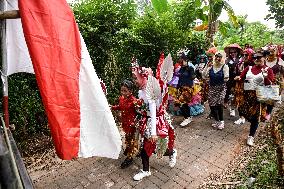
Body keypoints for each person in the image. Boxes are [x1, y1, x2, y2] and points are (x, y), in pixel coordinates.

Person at [131, 54, 177, 181]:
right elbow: (143, 106)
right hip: (148, 120)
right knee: (149, 147)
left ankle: (171, 153)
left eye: (135, 78)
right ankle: (147, 169)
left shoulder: (150, 90)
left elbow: (152, 110)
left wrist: (153, 132)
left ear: (143, 77)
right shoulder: (142, 89)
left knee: (153, 147)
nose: (134, 80)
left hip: (155, 121)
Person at [235, 49, 274, 146]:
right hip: (247, 95)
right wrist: (238, 78)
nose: (257, 59)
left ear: (264, 58)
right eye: (255, 57)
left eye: (259, 57)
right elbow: (242, 77)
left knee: (255, 117)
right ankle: (244, 120)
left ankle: (251, 136)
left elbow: (270, 85)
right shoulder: (248, 68)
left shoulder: (268, 70)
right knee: (243, 112)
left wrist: (265, 78)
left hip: (259, 96)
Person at [111, 80, 139, 169]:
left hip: (132, 125)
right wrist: (112, 107)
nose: (123, 92)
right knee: (128, 139)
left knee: (131, 141)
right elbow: (120, 106)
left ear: (131, 91)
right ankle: (130, 151)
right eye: (122, 90)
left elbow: (140, 113)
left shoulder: (134, 101)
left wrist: (135, 123)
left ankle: (130, 157)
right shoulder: (122, 98)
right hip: (124, 123)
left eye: (125, 91)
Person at [202, 52, 229, 130]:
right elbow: (204, 76)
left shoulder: (225, 66)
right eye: (216, 57)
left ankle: (221, 121)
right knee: (211, 104)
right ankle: (217, 120)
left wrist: (216, 78)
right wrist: (207, 67)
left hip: (221, 88)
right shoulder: (211, 66)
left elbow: (226, 78)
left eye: (219, 57)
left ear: (222, 58)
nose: (217, 58)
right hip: (212, 88)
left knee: (219, 104)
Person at [175, 53, 198, 127]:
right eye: (180, 62)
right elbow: (180, 77)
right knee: (182, 104)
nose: (181, 64)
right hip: (181, 88)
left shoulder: (190, 68)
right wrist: (177, 87)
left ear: (186, 60)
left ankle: (187, 118)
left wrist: (191, 72)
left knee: (181, 102)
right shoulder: (181, 68)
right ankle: (188, 117)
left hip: (188, 88)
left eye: (182, 62)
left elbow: (193, 77)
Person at [234, 48, 255, 125]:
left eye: (246, 55)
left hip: (249, 83)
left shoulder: (253, 64)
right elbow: (236, 73)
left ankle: (247, 116)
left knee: (248, 100)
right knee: (239, 100)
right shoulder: (240, 63)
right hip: (239, 84)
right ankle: (241, 117)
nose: (244, 56)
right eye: (243, 55)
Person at [265, 45, 284, 119]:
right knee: (264, 96)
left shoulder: (279, 60)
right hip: (265, 80)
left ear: (276, 51)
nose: (271, 52)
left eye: (273, 51)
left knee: (271, 98)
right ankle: (263, 110)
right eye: (270, 51)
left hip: (275, 81)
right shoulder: (264, 60)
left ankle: (268, 112)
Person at [224, 44, 243, 117]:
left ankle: (233, 108)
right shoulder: (227, 60)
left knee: (235, 94)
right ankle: (229, 106)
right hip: (229, 79)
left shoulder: (241, 60)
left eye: (234, 52)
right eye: (231, 52)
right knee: (228, 93)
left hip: (238, 80)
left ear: (237, 52)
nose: (233, 54)